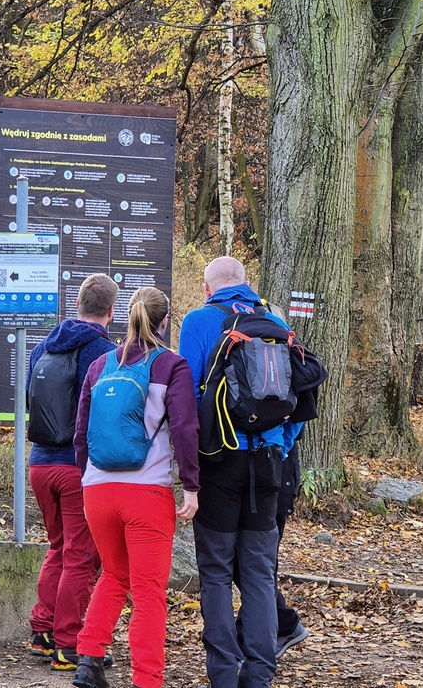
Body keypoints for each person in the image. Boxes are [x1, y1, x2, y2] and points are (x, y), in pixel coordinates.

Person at [178, 257, 306, 688]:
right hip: (268, 465)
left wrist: (191, 464)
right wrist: (279, 446)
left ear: (207, 287)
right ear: (247, 284)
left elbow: (187, 397)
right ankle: (259, 675)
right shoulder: (274, 320)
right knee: (257, 571)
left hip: (219, 461)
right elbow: (297, 399)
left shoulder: (198, 321)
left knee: (215, 571)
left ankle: (222, 676)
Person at [71, 287, 200, 688]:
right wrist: (191, 486)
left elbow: (81, 434)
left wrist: (88, 479)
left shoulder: (100, 366)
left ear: (125, 316)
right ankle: (148, 680)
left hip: (97, 489)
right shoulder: (171, 365)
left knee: (112, 575)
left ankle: (89, 661)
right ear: (165, 322)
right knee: (148, 593)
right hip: (146, 492)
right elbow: (184, 428)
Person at [26, 273, 119, 670]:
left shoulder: (43, 346)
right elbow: (101, 415)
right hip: (75, 468)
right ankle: (68, 644)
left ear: (77, 303)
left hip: (39, 463)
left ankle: (42, 631)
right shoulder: (103, 352)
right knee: (81, 556)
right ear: (111, 312)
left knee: (58, 548)